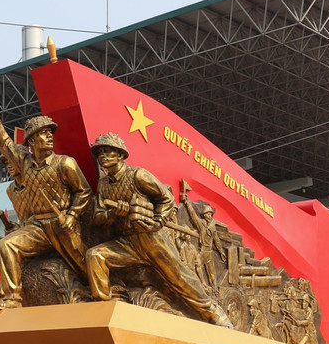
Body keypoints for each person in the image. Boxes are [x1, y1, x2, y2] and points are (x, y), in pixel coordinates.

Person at [84, 133, 228, 324]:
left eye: (108, 151)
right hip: (127, 241)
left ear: (120, 155)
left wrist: (157, 221)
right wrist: (114, 214)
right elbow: (98, 217)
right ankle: (103, 305)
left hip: (151, 238)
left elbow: (166, 200)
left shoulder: (138, 175)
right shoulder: (103, 184)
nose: (102, 156)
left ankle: (212, 312)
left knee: (179, 277)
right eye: (100, 152)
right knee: (95, 256)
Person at [0, 96, 90, 310]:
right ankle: (13, 297)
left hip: (62, 224)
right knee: (6, 245)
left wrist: (72, 216)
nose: (49, 136)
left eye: (49, 133)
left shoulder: (65, 163)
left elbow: (83, 192)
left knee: (84, 264)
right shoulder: (24, 163)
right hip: (37, 227)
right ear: (32, 142)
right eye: (43, 134)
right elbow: (4, 143)